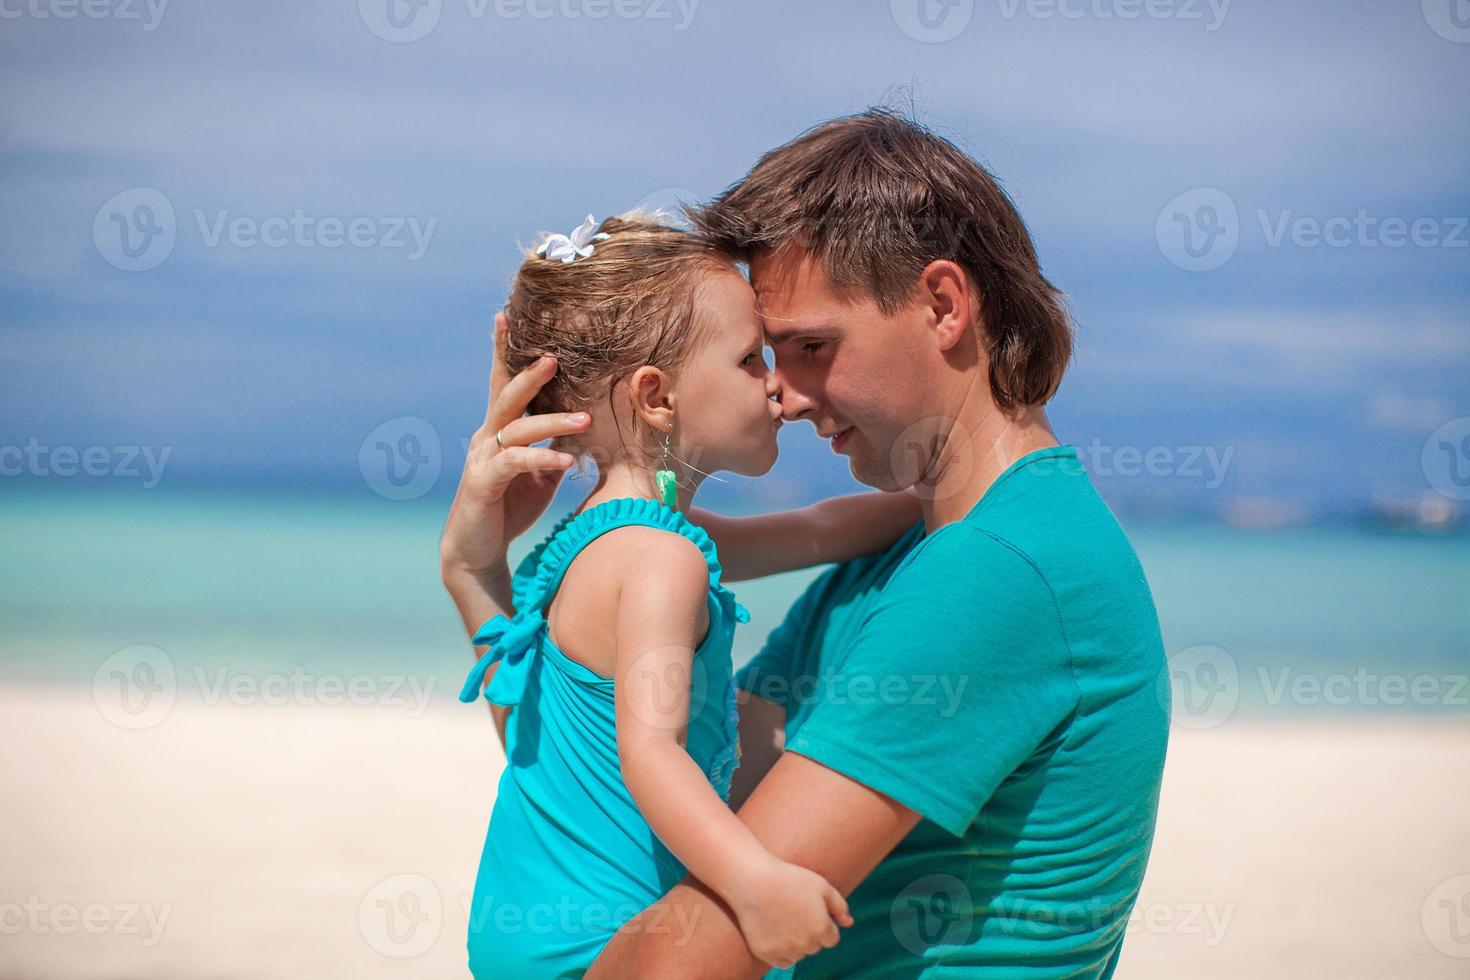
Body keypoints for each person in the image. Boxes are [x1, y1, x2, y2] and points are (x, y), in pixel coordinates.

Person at [471, 110, 1171, 978]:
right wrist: (477, 570)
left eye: (812, 347)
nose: (789, 396)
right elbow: (635, 791)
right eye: (768, 356)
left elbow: (679, 965)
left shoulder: (995, 572)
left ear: (943, 305)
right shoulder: (904, 557)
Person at [439, 212, 921, 978]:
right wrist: (753, 882)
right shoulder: (664, 560)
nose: (778, 386)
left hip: (528, 929)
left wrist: (954, 499)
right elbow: (649, 752)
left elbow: (821, 530)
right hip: (601, 942)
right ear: (657, 397)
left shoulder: (592, 542)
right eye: (748, 360)